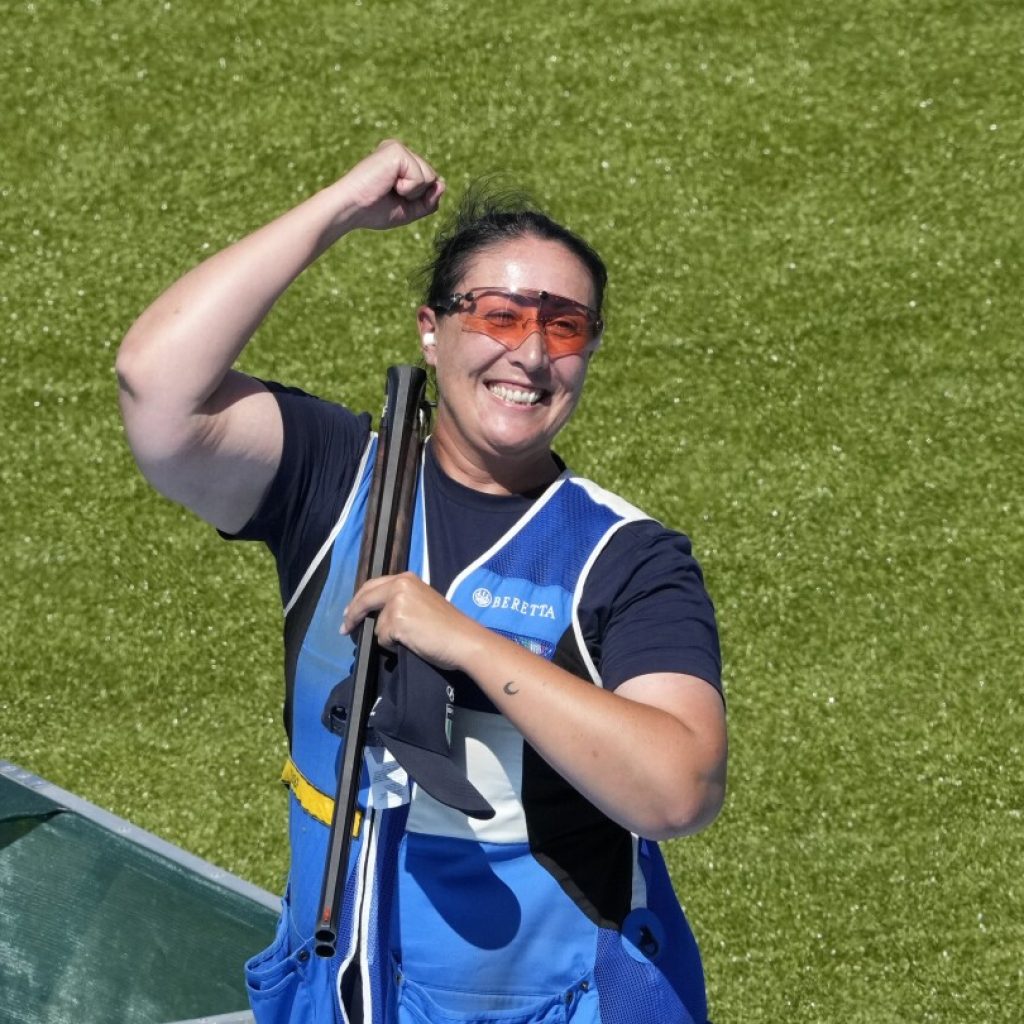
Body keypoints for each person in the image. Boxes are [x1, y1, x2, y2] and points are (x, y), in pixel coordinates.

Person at [117, 140, 728, 1024]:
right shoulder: (334, 480)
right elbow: (156, 383)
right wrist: (339, 207)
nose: (531, 355)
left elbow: (680, 789)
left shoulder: (625, 556)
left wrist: (469, 645)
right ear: (431, 329)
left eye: (565, 327)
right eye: (499, 315)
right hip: (342, 996)